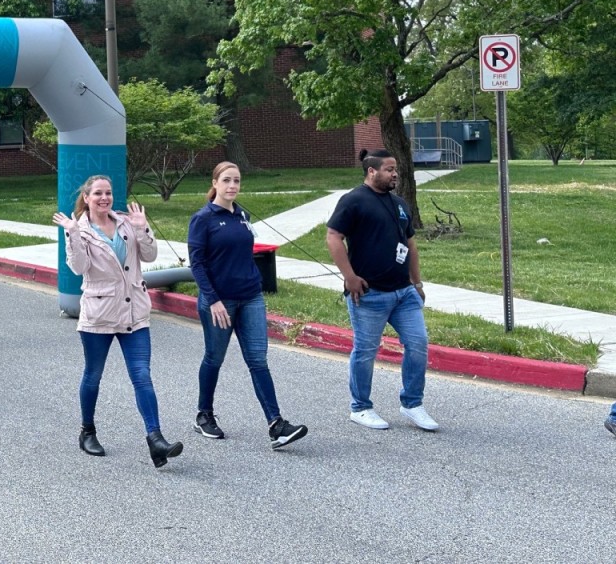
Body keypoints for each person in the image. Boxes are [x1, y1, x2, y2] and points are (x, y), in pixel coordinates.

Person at [52, 175, 183, 468]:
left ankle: (155, 439)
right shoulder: (79, 229)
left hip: (135, 311)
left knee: (142, 375)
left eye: (108, 193)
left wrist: (143, 229)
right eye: (97, 193)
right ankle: (87, 431)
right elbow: (78, 268)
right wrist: (72, 234)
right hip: (99, 313)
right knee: (93, 375)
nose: (104, 198)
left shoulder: (125, 222)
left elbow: (149, 256)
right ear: (86, 198)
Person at [187, 162, 308, 450]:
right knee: (214, 358)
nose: (232, 186)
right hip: (219, 301)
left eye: (237, 181)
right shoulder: (202, 218)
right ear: (215, 182)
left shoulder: (242, 215)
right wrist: (213, 299)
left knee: (258, 360)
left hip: (251, 297)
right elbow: (197, 263)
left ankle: (276, 425)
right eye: (226, 180)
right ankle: (204, 415)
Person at [326, 149, 438, 432]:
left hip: (404, 293)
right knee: (365, 350)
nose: (395, 174)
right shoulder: (353, 201)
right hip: (369, 294)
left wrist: (417, 283)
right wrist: (349, 277)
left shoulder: (399, 203)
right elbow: (333, 237)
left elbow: (410, 244)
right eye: (389, 169)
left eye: (396, 169)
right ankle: (360, 408)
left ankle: (412, 404)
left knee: (418, 344)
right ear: (371, 171)